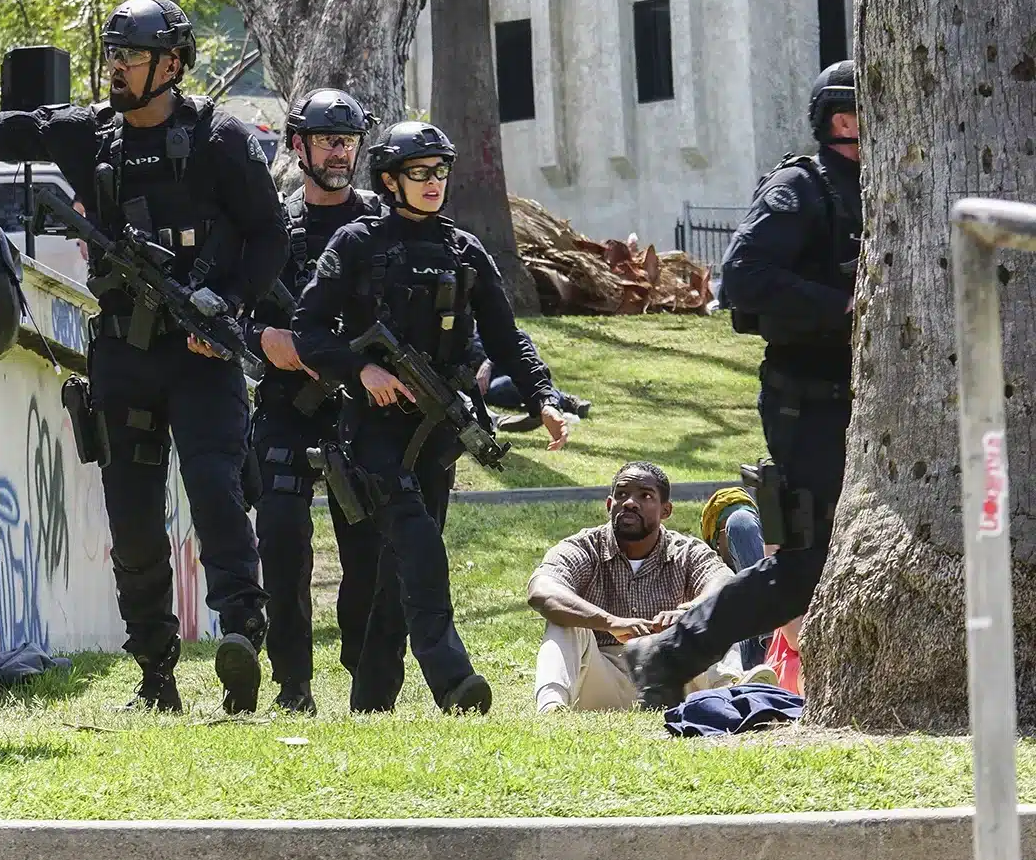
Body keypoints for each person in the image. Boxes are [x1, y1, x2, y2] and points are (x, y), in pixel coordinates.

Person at [0, 0, 284, 714]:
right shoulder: (87, 133)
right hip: (122, 353)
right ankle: (155, 674)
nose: (116, 67)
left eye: (132, 55)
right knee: (133, 520)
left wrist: (228, 303)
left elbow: (270, 236)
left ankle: (242, 631)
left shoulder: (220, 138)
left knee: (216, 490)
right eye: (112, 53)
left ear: (171, 65)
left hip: (202, 355)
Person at [293, 121, 571, 714]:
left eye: (440, 172)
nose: (432, 183)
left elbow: (507, 337)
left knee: (400, 571)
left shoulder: (464, 250)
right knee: (419, 544)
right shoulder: (356, 242)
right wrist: (361, 372)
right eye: (419, 172)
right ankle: (453, 681)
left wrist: (543, 397)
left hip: (439, 431)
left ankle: (371, 701)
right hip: (372, 429)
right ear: (390, 180)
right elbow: (308, 329)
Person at [628, 61, 861, 708]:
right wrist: (844, 304)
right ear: (836, 119)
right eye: (858, 113)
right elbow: (743, 277)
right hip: (806, 402)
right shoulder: (801, 187)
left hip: (866, 402)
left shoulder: (890, 185)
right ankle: (665, 653)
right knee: (803, 566)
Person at [244, 88, 387, 715]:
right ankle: (292, 682)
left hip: (362, 407)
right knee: (280, 540)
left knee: (367, 550)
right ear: (298, 145)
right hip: (287, 406)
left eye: (348, 141)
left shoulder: (381, 224)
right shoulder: (273, 228)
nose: (339, 153)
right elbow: (233, 310)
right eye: (328, 141)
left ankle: (364, 675)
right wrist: (263, 339)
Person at [527, 462, 741, 712]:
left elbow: (724, 582)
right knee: (563, 619)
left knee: (714, 614)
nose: (630, 503)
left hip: (675, 674)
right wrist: (610, 622)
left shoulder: (686, 551)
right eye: (621, 494)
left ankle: (734, 693)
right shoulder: (585, 547)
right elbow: (542, 589)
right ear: (609, 505)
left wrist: (687, 612)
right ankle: (551, 709)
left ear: (666, 510)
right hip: (603, 679)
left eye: (645, 496)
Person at [699, 486, 767, 670]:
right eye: (728, 529)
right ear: (715, 542)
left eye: (755, 526)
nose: (749, 533)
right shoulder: (707, 575)